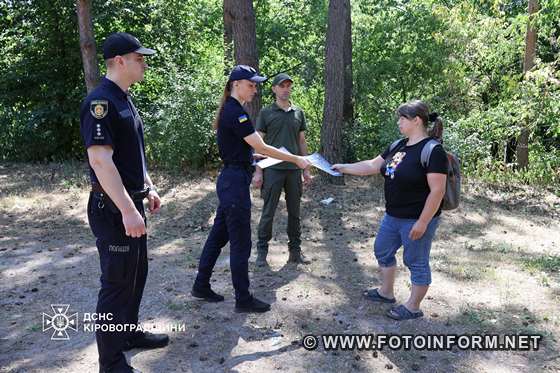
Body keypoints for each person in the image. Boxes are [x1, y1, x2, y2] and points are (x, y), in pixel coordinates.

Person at [80, 32, 168, 373]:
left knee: (136, 275)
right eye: (139, 58)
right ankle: (111, 363)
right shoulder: (99, 102)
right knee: (116, 284)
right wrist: (129, 211)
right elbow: (102, 162)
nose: (143, 63)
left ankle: (128, 334)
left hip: (131, 202)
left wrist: (148, 187)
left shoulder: (123, 99)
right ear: (119, 61)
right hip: (113, 208)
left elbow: (131, 155)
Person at [191, 65, 311, 313]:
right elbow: (263, 146)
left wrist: (254, 158)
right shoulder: (237, 112)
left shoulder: (234, 110)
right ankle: (243, 299)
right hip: (234, 183)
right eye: (251, 85)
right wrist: (295, 159)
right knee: (241, 243)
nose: (255, 90)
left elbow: (248, 148)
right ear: (236, 84)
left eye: (256, 85)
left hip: (232, 178)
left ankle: (201, 285)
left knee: (219, 236)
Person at [332, 100, 448, 321]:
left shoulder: (433, 151)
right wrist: (343, 168)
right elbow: (372, 166)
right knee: (382, 250)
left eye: (402, 118)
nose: (399, 122)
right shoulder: (398, 145)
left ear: (417, 120)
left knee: (416, 261)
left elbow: (437, 191)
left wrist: (423, 222)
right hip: (393, 215)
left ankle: (413, 307)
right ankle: (386, 293)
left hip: (417, 218)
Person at [252, 73, 312, 266]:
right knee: (268, 211)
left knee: (295, 212)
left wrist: (306, 169)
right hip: (272, 169)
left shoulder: (298, 112)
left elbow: (301, 141)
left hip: (294, 170)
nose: (286, 89)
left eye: (288, 86)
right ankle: (262, 252)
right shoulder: (266, 113)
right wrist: (258, 170)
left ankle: (295, 252)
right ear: (274, 89)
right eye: (282, 86)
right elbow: (258, 143)